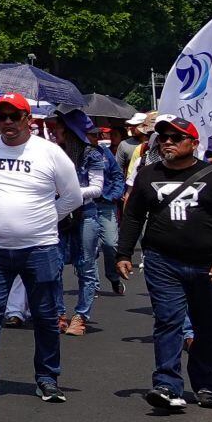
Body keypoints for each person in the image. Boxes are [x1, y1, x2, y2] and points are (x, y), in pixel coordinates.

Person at [0, 93, 83, 404]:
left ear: (28, 120)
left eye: (14, 116)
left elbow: (72, 197)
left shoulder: (50, 153)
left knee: (45, 315)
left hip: (40, 248)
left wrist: (44, 219)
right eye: (2, 116)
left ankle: (47, 379)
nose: (7, 122)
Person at [117, 117, 212, 411]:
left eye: (176, 137)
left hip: (209, 266)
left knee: (208, 328)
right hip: (163, 262)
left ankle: (205, 385)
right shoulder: (148, 175)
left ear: (194, 143)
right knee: (168, 321)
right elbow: (134, 216)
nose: (167, 142)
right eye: (163, 137)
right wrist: (123, 253)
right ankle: (167, 384)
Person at [57, 110, 124, 335]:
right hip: (57, 215)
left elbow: (96, 188)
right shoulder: (51, 154)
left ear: (70, 132)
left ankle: (81, 316)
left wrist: (69, 192)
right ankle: (58, 313)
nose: (55, 131)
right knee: (54, 265)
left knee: (85, 264)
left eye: (59, 127)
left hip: (86, 213)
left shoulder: (93, 154)